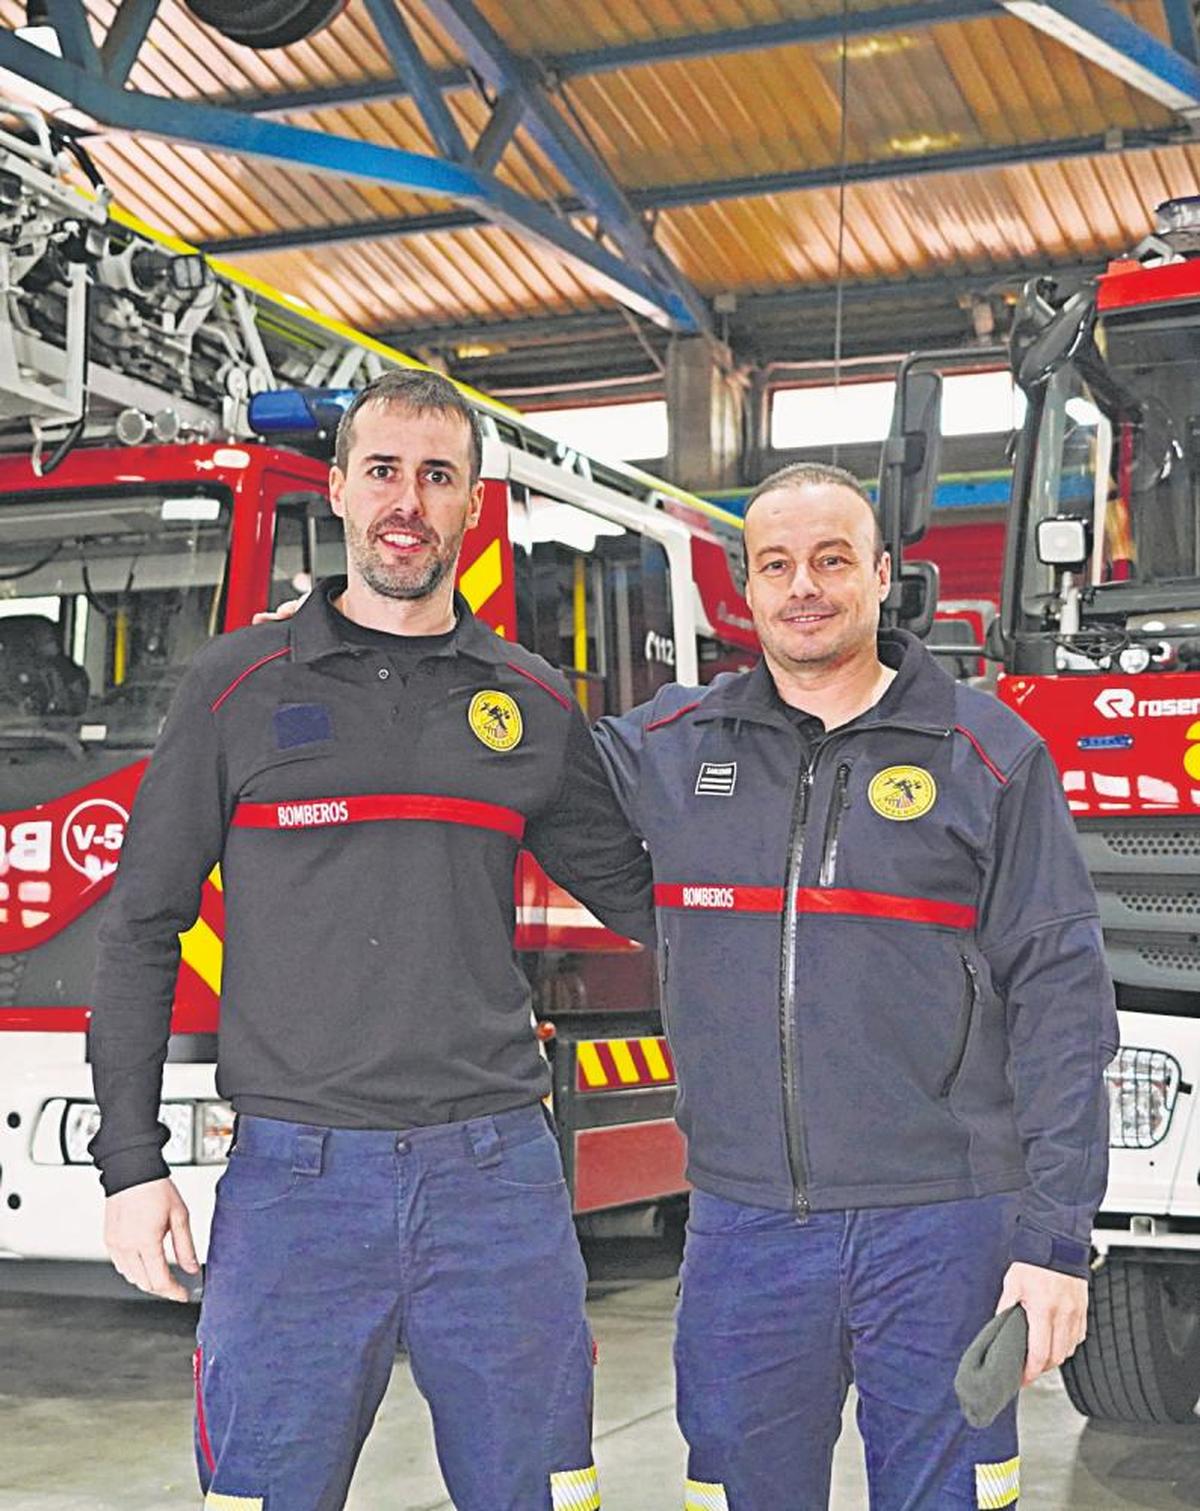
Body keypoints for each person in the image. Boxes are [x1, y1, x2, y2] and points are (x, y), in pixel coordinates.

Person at [87, 369, 655, 1511]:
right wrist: (131, 1162)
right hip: (295, 1181)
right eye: (384, 470)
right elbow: (143, 924)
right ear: (338, 489)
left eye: (437, 476)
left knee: (541, 1491)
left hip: (496, 1177)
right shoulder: (235, 686)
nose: (409, 499)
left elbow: (657, 902)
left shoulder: (530, 702)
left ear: (471, 507)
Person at [593, 461, 1118, 1511]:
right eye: (775, 564)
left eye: (832, 559)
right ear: (744, 589)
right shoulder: (672, 743)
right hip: (743, 1227)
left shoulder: (987, 752)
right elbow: (505, 744)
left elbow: (1063, 1003)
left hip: (944, 1225)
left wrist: (1055, 1241)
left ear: (882, 574)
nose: (804, 586)